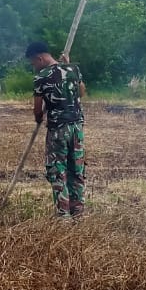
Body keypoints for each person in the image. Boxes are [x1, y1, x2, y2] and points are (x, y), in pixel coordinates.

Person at [26, 40, 86, 219]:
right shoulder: (72, 69)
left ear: (40, 58)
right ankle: (78, 214)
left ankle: (63, 217)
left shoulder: (41, 77)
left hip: (58, 130)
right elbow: (81, 92)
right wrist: (66, 65)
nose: (34, 67)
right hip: (77, 128)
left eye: (33, 63)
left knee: (58, 171)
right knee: (76, 171)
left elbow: (38, 109)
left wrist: (38, 118)